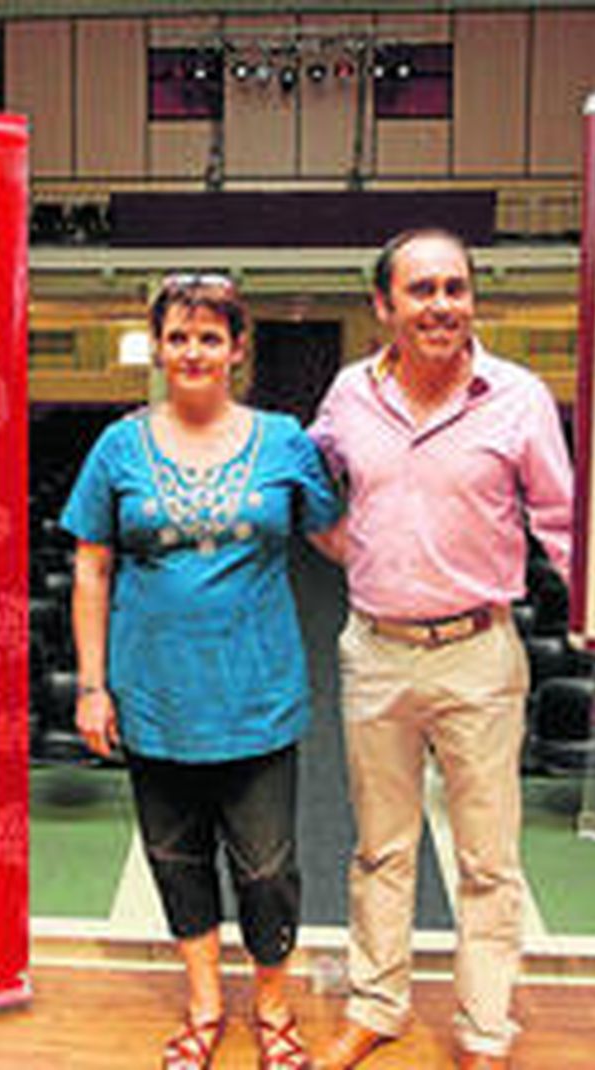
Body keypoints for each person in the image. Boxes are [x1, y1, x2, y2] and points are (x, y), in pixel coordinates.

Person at [307, 229, 574, 1070]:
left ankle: (486, 1027)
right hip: (376, 652)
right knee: (381, 848)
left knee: (488, 858)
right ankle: (378, 1005)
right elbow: (310, 481)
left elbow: (563, 523)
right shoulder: (350, 394)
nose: (442, 306)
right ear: (384, 305)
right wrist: (358, 550)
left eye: (455, 288)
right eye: (421, 291)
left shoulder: (520, 397)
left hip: (479, 652)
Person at [62, 274, 341, 1070]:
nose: (193, 351)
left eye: (210, 337)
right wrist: (92, 684)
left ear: (237, 349)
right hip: (153, 695)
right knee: (176, 861)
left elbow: (338, 538)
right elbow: (91, 569)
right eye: (178, 337)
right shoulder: (118, 446)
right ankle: (206, 1005)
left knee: (268, 870)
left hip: (257, 693)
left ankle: (274, 1007)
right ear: (159, 348)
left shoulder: (285, 439)